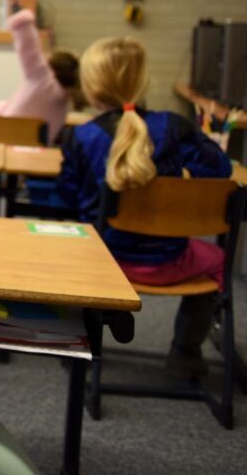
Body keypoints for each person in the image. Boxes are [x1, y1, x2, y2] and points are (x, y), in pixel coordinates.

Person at [57, 37, 231, 379]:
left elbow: (68, 198)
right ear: (142, 82)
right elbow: (220, 169)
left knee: (72, 245)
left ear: (91, 87)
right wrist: (179, 176)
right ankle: (186, 351)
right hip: (170, 260)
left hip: (103, 265)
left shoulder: (81, 136)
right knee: (219, 261)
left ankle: (84, 335)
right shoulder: (175, 127)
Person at [0, 0, 81, 143]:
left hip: (9, 149)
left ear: (53, 68)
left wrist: (16, 8)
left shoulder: (43, 81)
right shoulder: (62, 100)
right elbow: (16, 111)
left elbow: (28, 43)